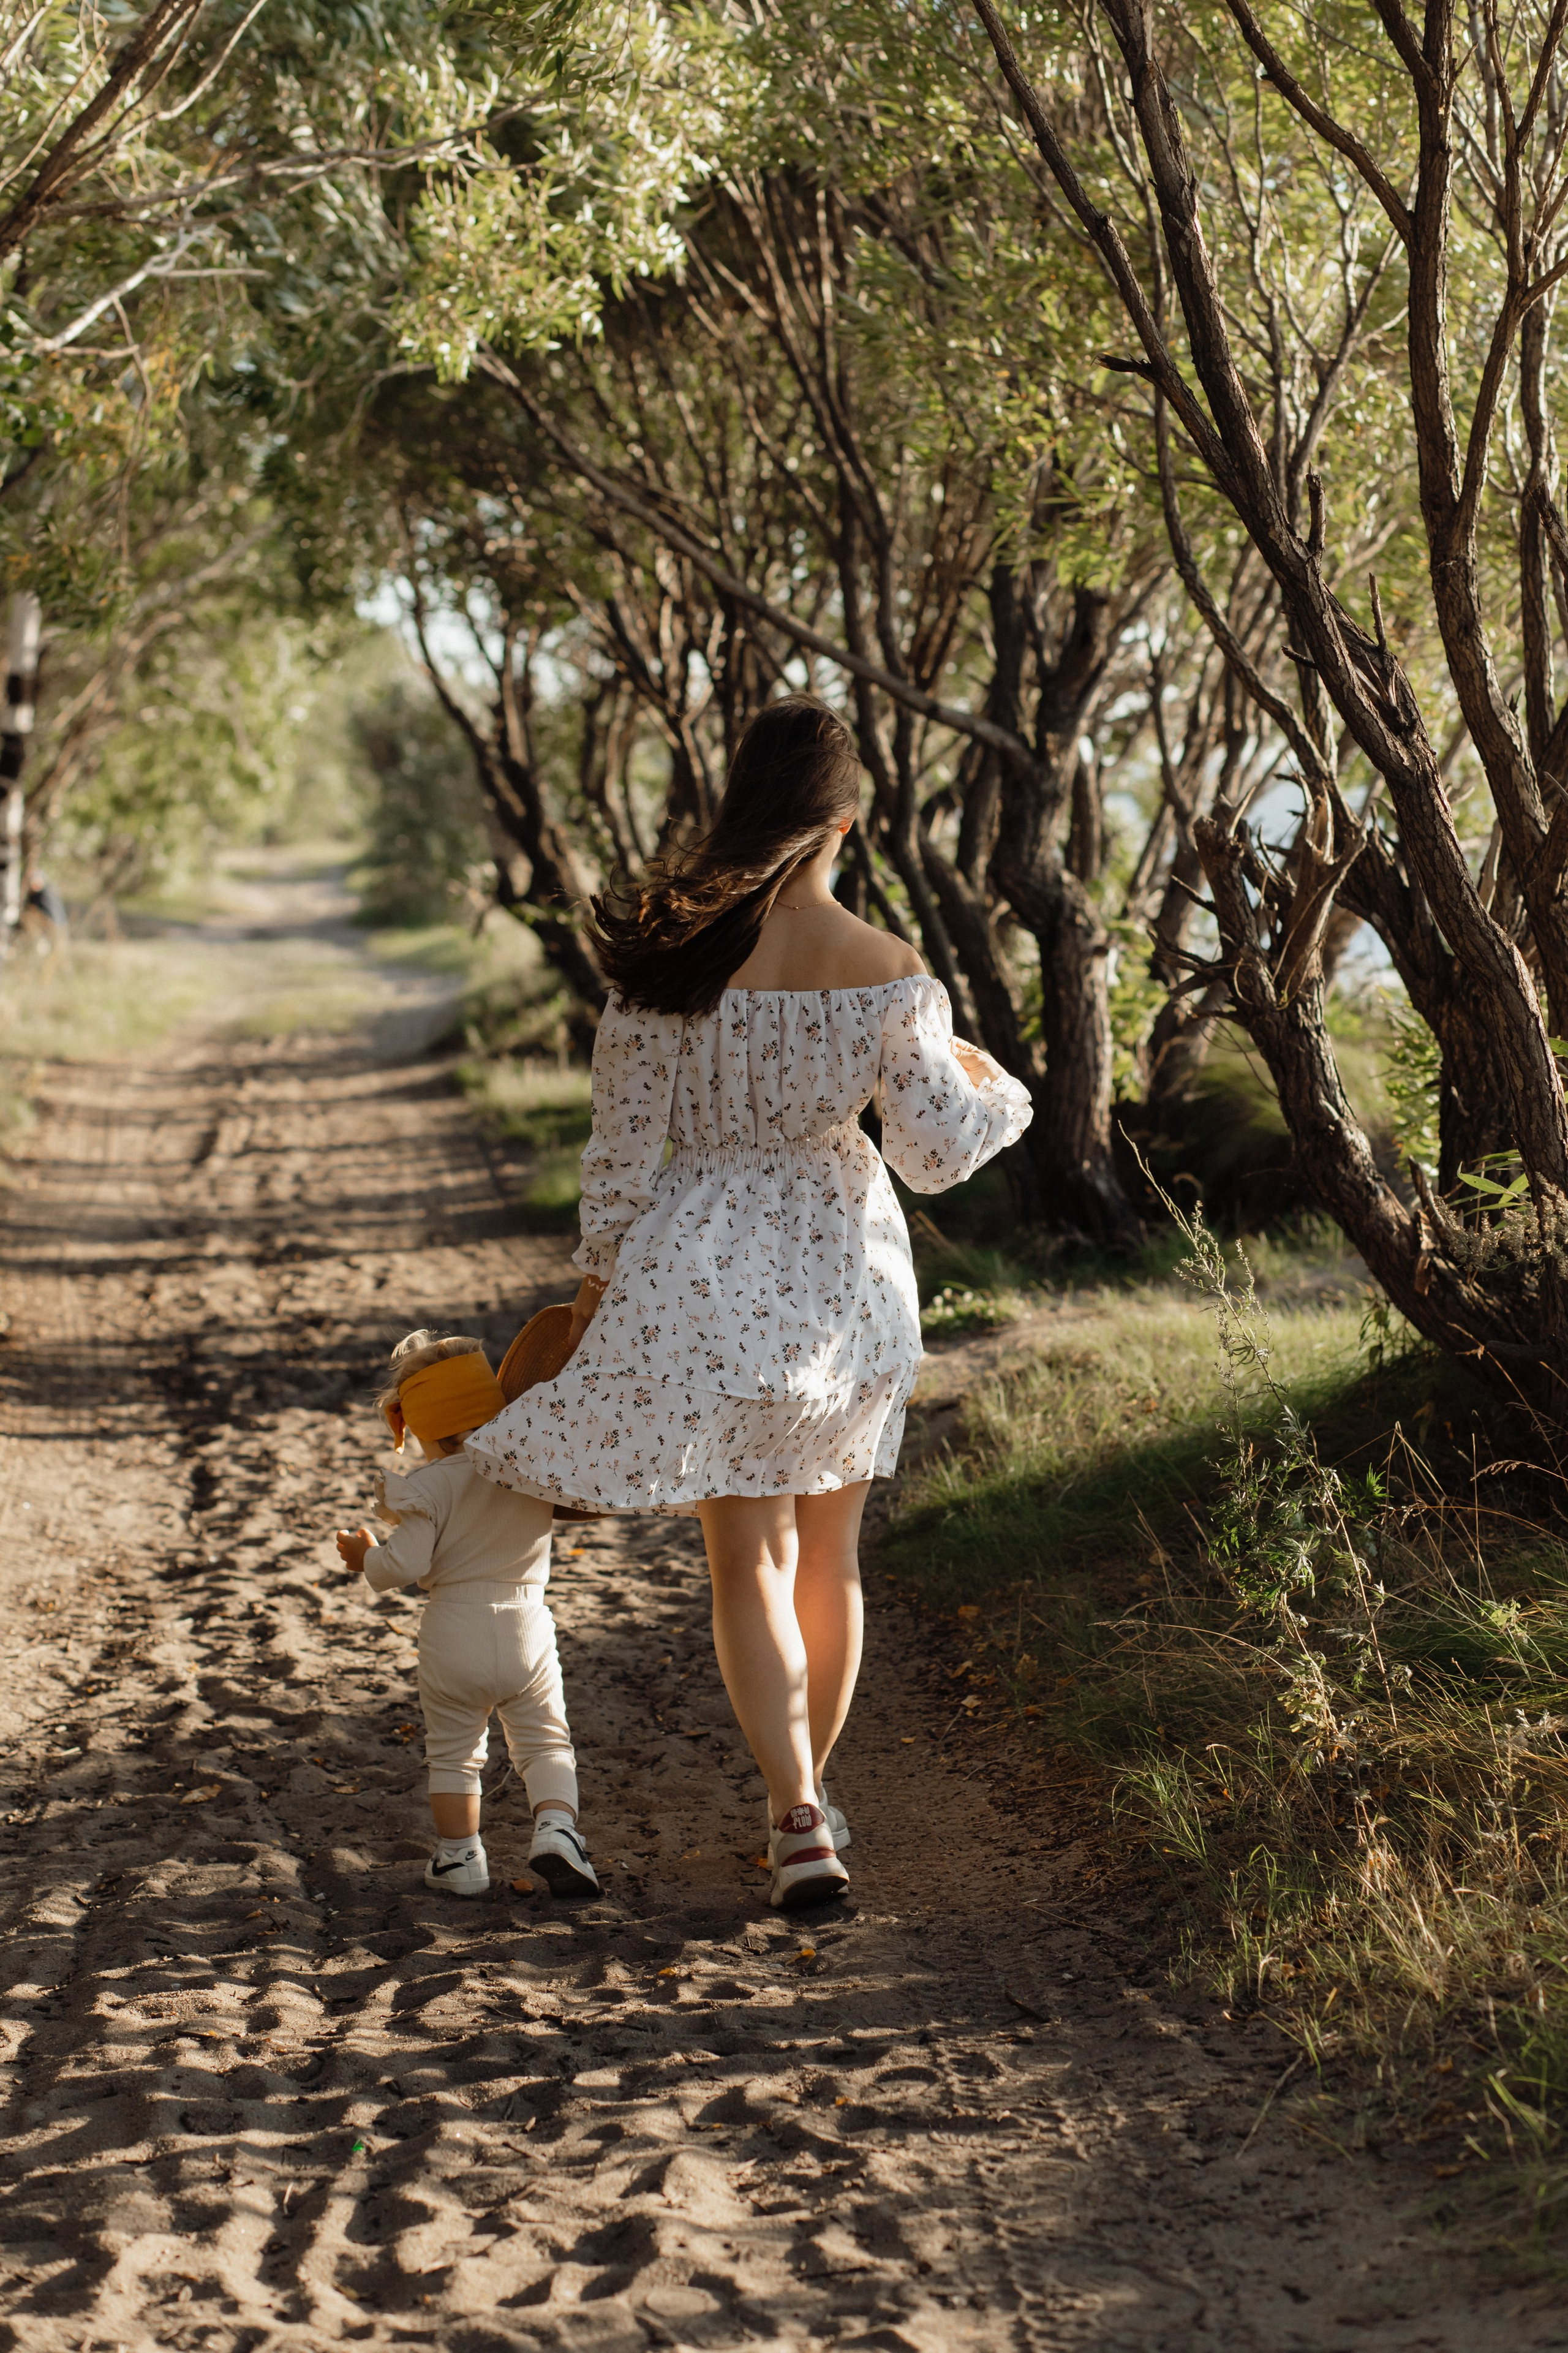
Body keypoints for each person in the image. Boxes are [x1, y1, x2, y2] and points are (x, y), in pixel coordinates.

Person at [466, 695, 1032, 1909]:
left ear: (740, 802)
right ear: (844, 820)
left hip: (701, 1273)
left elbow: (619, 1154)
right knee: (830, 1558)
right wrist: (991, 1086)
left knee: (744, 1565)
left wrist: (592, 1298)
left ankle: (794, 1808)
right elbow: (930, 1152)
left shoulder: (671, 955)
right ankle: (802, 1821)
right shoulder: (890, 969)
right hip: (846, 1270)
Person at [334, 1329, 598, 1900]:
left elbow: (405, 1564)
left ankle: (461, 1859)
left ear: (421, 1424)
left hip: (454, 1626)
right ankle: (558, 1830)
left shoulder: (427, 1486)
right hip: (529, 1623)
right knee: (547, 1742)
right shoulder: (527, 1471)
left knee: (454, 1752)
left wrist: (366, 1557)